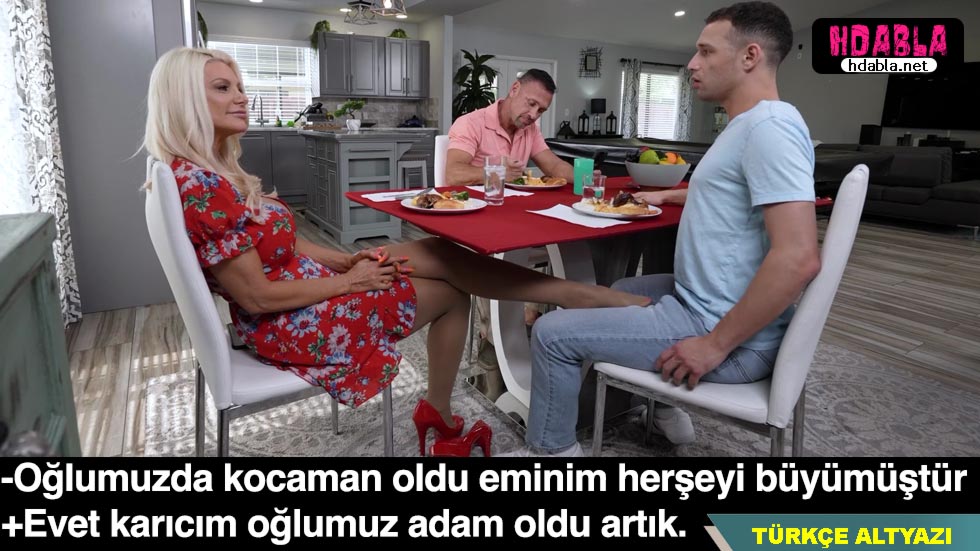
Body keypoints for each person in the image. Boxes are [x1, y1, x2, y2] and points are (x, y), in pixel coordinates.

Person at [142, 47, 651, 457]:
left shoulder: (209, 173)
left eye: (239, 86)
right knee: (451, 288)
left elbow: (287, 242)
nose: (242, 97)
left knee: (438, 254)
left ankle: (568, 300)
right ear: (184, 100)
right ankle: (570, 303)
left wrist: (346, 260)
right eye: (223, 88)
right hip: (293, 323)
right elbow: (255, 297)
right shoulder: (203, 187)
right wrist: (349, 281)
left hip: (305, 294)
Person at [500, 1, 821, 457]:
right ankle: (662, 408)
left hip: (724, 333)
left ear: (750, 56)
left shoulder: (770, 128)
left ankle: (552, 455)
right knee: (621, 289)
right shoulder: (748, 125)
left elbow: (798, 258)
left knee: (553, 334)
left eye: (706, 51)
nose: (692, 63)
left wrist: (713, 345)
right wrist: (668, 196)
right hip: (708, 302)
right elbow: (733, 194)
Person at [445, 69, 571, 362]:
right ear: (514, 89)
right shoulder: (471, 123)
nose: (534, 115)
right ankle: (498, 347)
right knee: (495, 262)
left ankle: (534, 328)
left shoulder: (530, 130)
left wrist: (589, 178)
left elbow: (553, 167)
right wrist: (495, 169)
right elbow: (453, 174)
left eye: (541, 110)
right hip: (474, 226)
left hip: (516, 222)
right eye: (531, 103)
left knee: (564, 244)